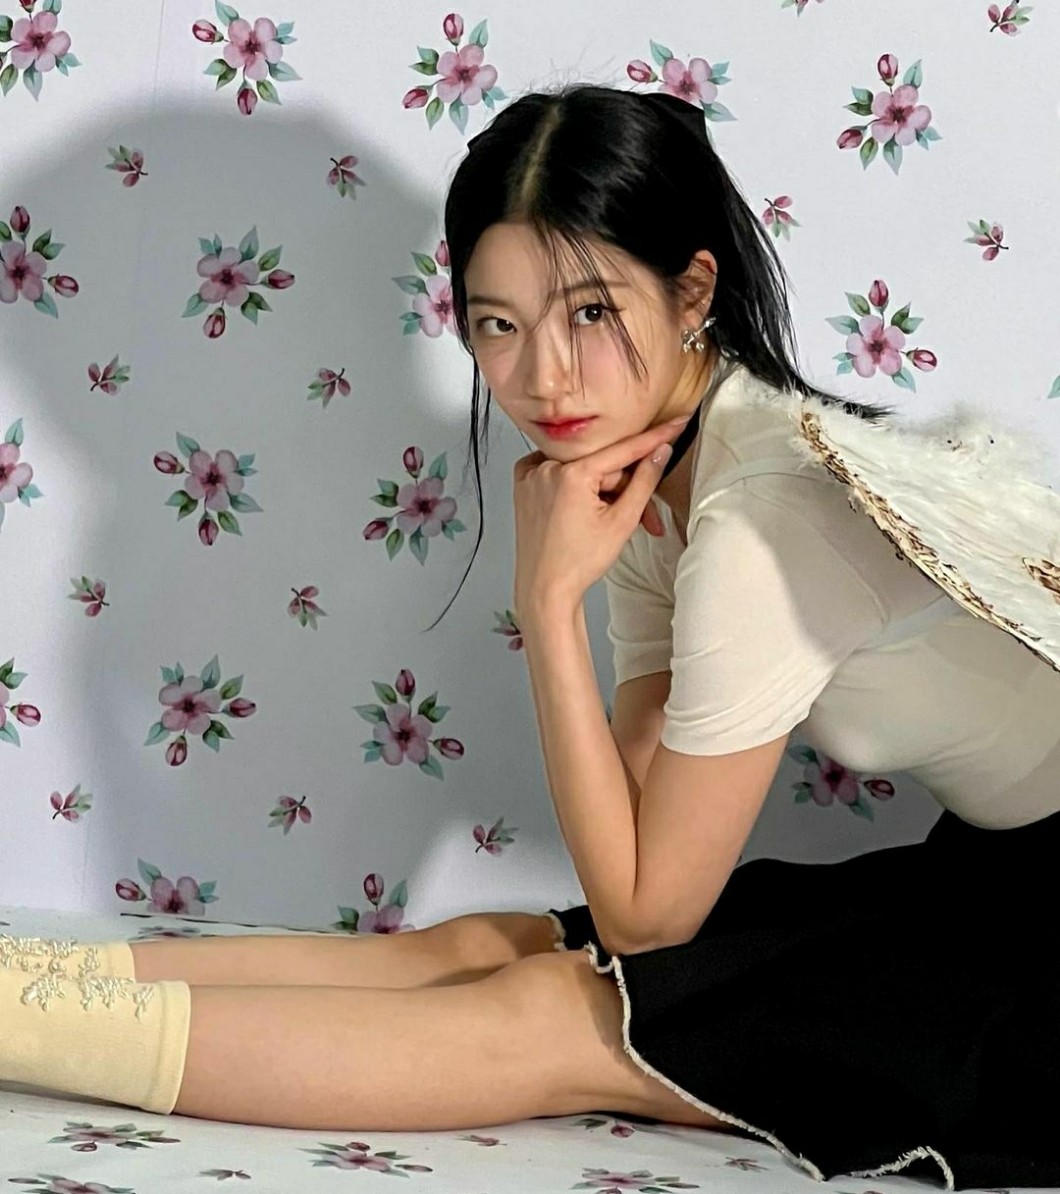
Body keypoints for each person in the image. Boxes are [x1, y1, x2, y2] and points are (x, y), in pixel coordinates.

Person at [3, 83, 1059, 1189]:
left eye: (590, 313)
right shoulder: (659, 462)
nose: (543, 379)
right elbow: (633, 825)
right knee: (490, 947)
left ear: (693, 289)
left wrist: (548, 606)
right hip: (994, 877)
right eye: (498, 326)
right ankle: (19, 985)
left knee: (564, 1013)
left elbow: (648, 922)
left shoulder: (761, 519)